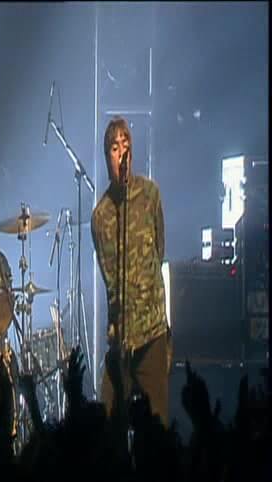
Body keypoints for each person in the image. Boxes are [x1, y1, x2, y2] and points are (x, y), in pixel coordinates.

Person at [91, 116, 171, 427]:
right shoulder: (100, 217)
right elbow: (106, 273)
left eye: (126, 146)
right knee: (108, 423)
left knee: (157, 427)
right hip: (120, 339)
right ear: (106, 155)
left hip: (151, 333)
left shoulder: (150, 195)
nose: (122, 153)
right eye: (115, 147)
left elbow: (159, 249)